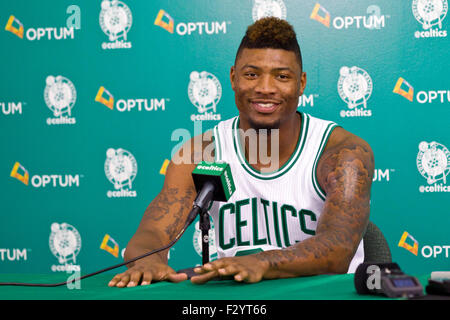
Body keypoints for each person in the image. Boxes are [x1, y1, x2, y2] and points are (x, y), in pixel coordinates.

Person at [108, 17, 374, 288]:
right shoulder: (201, 153)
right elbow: (152, 233)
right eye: (251, 74)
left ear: (301, 83)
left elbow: (337, 251)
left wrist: (262, 261)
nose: (265, 88)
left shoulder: (341, 152)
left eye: (282, 76)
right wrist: (148, 261)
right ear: (233, 78)